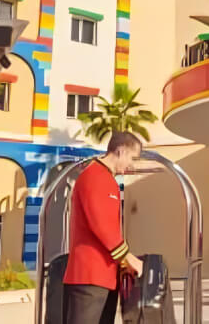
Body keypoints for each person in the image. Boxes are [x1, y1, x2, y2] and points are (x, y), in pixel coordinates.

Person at [63, 131, 145, 324]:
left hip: (102, 278)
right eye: (132, 158)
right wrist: (129, 258)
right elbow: (102, 226)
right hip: (89, 277)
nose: (131, 165)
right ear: (121, 151)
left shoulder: (105, 178)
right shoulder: (96, 177)